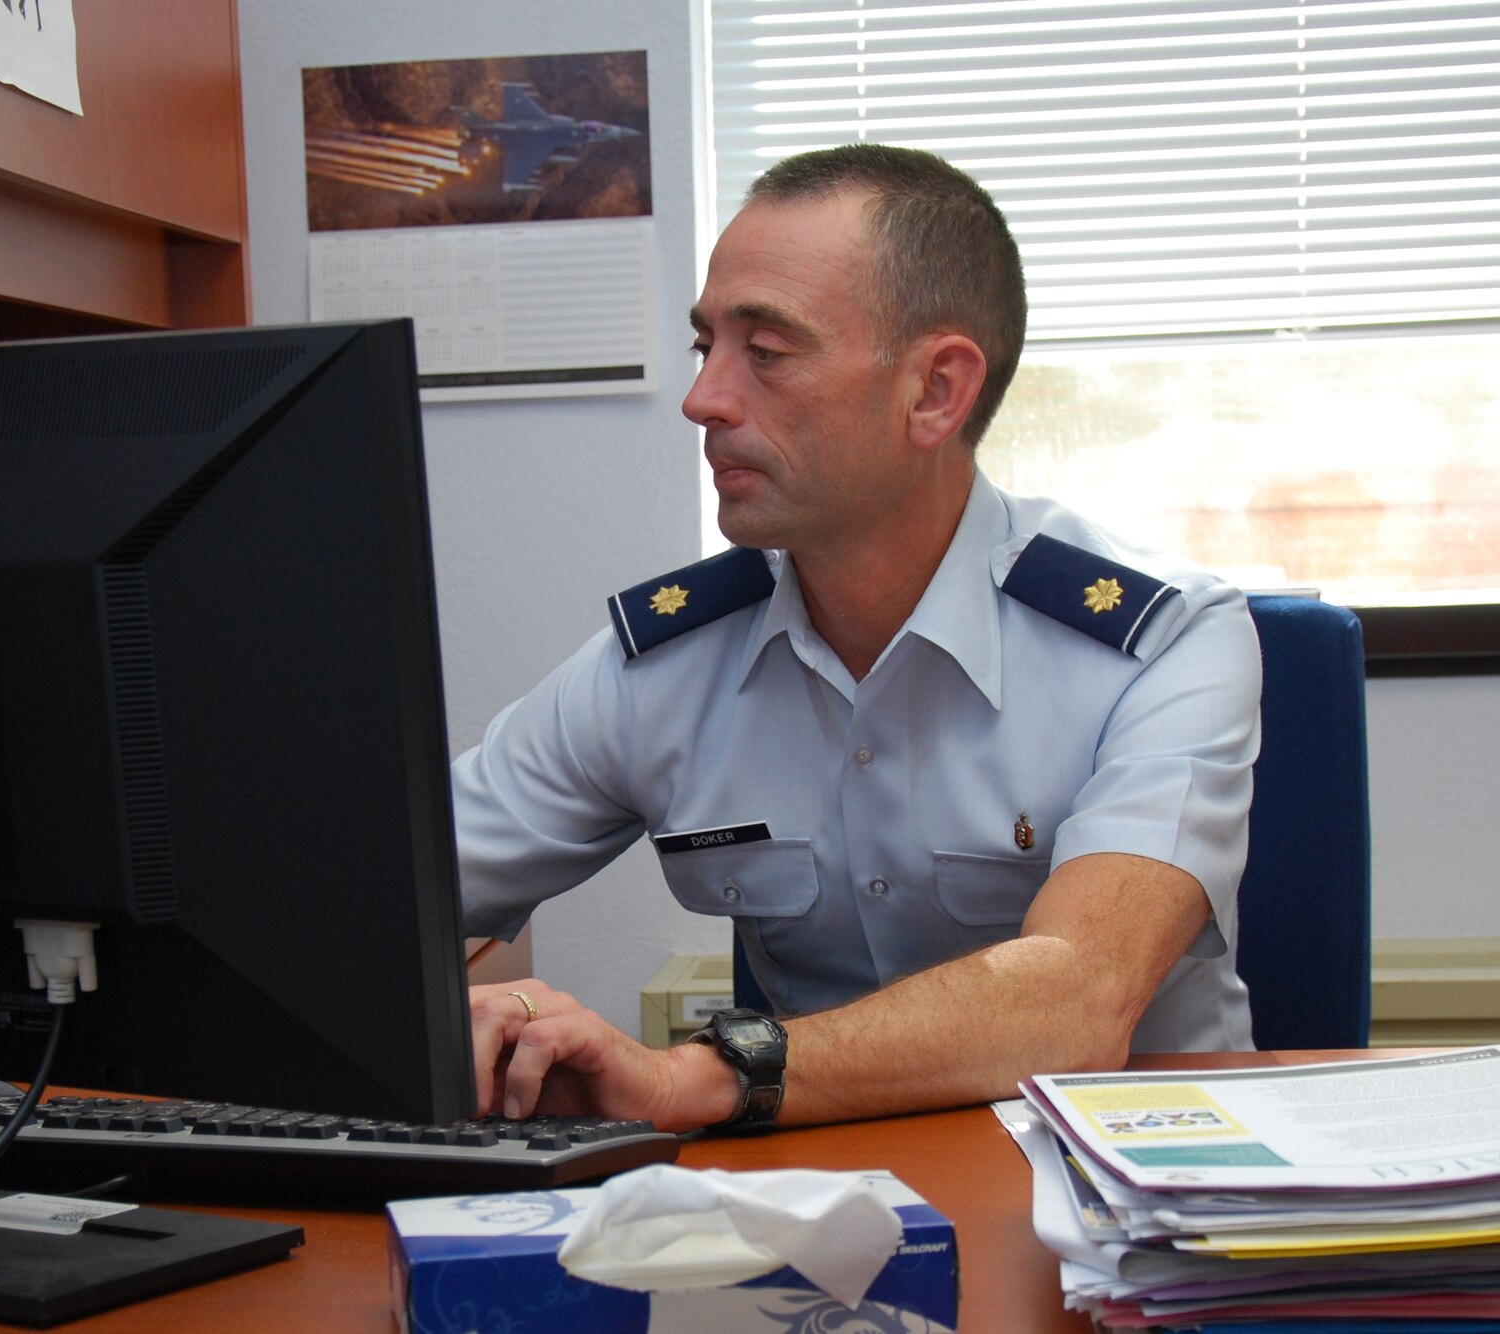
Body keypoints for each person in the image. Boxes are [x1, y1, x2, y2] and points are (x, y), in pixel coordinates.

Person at [452, 144, 1261, 1135]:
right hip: (829, 1204)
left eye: (768, 351)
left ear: (933, 391)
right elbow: (387, 893)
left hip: (1133, 1211)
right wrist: (502, 1014)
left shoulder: (1161, 639)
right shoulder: (664, 660)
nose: (701, 398)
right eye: (707, 344)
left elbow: (1074, 998)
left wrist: (689, 1077)